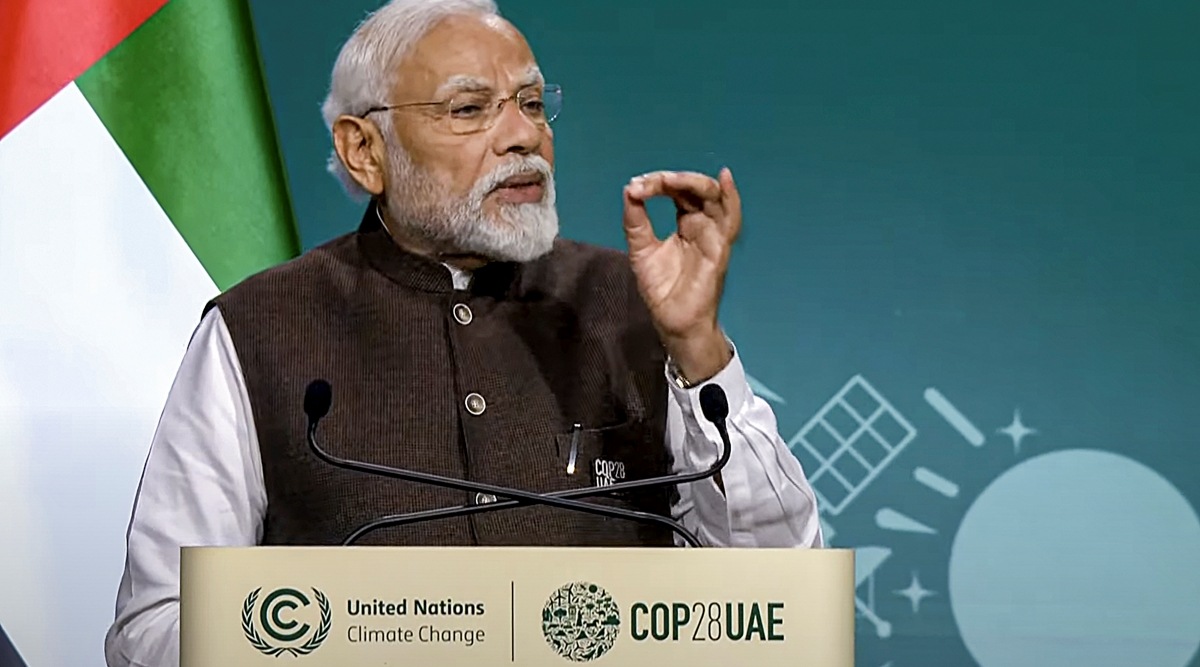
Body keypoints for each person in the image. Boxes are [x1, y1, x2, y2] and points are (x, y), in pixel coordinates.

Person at [103, 0, 823, 664]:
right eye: (470, 108)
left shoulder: (628, 301)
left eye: (533, 104)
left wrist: (696, 344)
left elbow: (780, 590)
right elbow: (155, 626)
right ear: (364, 150)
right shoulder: (259, 327)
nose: (524, 137)